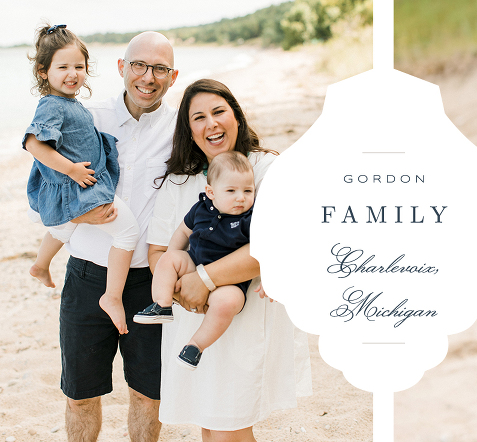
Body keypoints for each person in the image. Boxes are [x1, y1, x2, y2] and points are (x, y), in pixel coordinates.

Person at [147, 79, 311, 441]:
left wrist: (202, 281)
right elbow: (159, 250)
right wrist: (184, 287)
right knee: (209, 427)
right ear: (189, 130)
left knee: (228, 430)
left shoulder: (265, 169)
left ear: (236, 115)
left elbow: (270, 247)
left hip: (244, 314)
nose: (212, 124)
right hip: (190, 319)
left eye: (219, 112)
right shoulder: (179, 181)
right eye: (199, 118)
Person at [57, 31, 178, 442]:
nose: (148, 76)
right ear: (122, 68)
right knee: (80, 396)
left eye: (160, 68)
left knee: (148, 396)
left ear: (173, 76)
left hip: (150, 283)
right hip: (87, 278)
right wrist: (80, 213)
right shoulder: (87, 116)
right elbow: (48, 183)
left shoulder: (183, 129)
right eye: (140, 65)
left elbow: (228, 157)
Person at [24, 24, 138, 335]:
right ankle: (112, 297)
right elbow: (34, 144)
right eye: (62, 67)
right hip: (79, 186)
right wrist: (72, 170)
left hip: (82, 183)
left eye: (79, 66)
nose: (72, 73)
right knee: (128, 232)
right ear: (43, 71)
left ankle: (40, 264)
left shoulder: (69, 103)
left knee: (62, 228)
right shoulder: (51, 104)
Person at [135, 151, 257, 370]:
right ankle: (162, 305)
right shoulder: (201, 208)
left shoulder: (248, 219)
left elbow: (265, 250)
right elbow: (182, 232)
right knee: (168, 258)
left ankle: (195, 347)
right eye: (231, 191)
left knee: (227, 302)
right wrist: (171, 261)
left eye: (248, 191)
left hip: (230, 282)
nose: (241, 197)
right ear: (211, 192)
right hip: (194, 262)